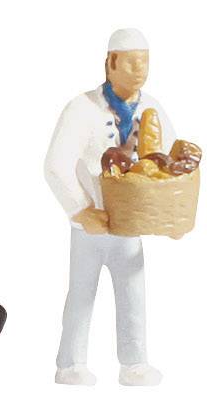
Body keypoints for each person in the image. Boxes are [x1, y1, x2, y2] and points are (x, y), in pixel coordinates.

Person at [43, 28, 170, 387]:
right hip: (91, 226)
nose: (139, 69)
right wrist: (80, 209)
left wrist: (166, 214)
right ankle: (71, 363)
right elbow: (55, 165)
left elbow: (169, 161)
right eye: (130, 62)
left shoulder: (153, 109)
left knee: (133, 293)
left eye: (144, 62)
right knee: (81, 294)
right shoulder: (82, 108)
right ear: (110, 64)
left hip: (130, 226)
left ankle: (135, 363)